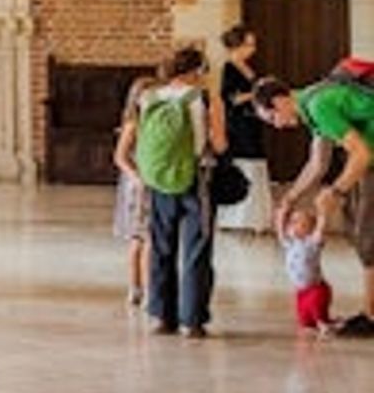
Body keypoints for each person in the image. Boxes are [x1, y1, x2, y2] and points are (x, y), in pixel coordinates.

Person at [255, 58, 374, 335]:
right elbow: (317, 164)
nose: (277, 126)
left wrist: (336, 191)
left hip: (369, 158)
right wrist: (289, 200)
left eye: (272, 117)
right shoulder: (311, 100)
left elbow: (361, 154)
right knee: (360, 230)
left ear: (281, 101)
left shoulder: (318, 105)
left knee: (367, 235)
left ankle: (371, 316)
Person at [114, 45, 226, 337]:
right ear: (196, 71)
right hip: (196, 179)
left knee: (161, 247)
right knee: (196, 250)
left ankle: (162, 317)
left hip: (156, 181)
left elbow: (133, 140)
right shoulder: (204, 98)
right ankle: (192, 321)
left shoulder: (148, 96)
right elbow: (221, 143)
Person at [216, 25, 273, 232]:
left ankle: (255, 218)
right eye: (249, 44)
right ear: (237, 46)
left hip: (252, 121)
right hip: (238, 123)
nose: (253, 49)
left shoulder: (249, 67)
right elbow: (230, 98)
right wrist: (256, 92)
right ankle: (237, 219)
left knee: (257, 160)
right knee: (243, 161)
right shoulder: (228, 68)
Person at [112, 75, 159, 306]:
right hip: (137, 186)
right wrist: (137, 178)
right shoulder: (133, 124)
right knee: (138, 239)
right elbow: (120, 157)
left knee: (152, 238)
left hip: (155, 182)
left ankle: (151, 288)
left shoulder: (159, 121)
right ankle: (137, 286)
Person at [279, 205, 338, 335]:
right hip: (301, 292)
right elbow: (281, 232)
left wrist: (323, 214)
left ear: (310, 228)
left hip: (317, 289)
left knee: (317, 310)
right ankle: (323, 320)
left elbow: (320, 228)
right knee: (305, 322)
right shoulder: (290, 243)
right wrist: (282, 215)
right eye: (292, 222)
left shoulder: (312, 242)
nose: (293, 225)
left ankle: (323, 323)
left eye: (299, 223)